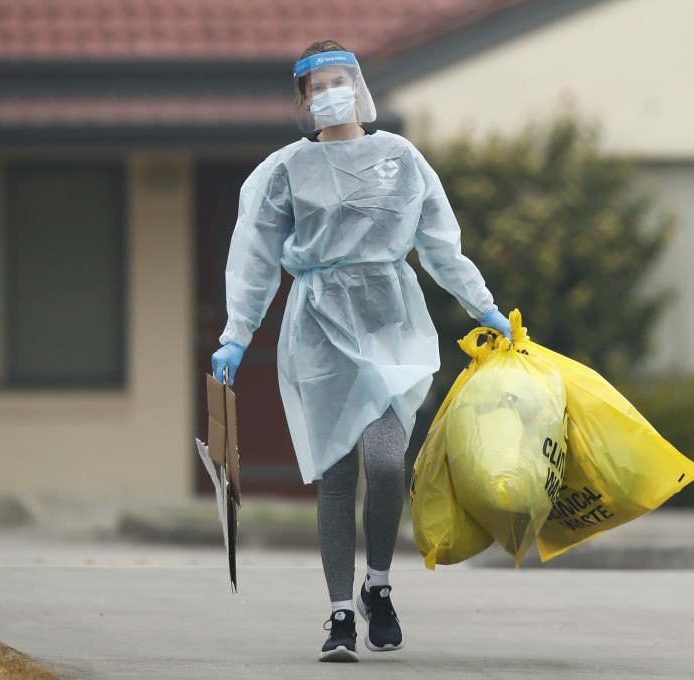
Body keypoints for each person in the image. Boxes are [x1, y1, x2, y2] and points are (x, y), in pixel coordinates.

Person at [211, 38, 512, 663]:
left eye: (337, 80)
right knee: (337, 470)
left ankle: (379, 585)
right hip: (319, 328)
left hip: (390, 321)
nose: (328, 94)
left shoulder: (399, 156)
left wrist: (481, 305)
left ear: (359, 83)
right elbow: (256, 260)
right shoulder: (285, 171)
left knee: (384, 461)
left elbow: (438, 243)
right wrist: (236, 335)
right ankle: (340, 614)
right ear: (301, 98)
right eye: (315, 86)